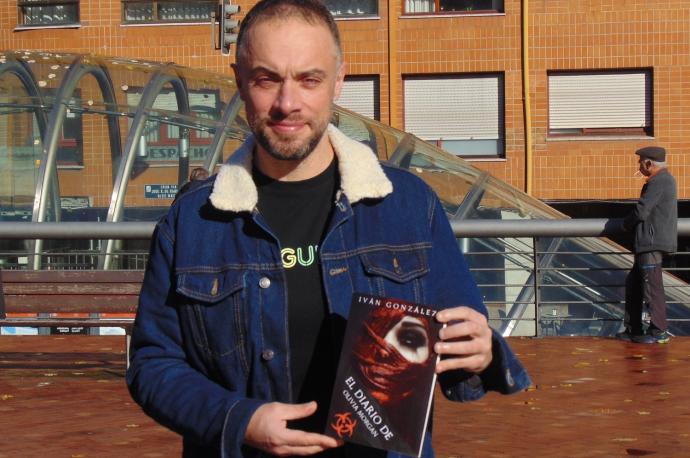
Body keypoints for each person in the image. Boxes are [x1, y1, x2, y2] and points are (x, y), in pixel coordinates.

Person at [126, 1, 530, 456]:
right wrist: (239, 419)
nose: (287, 103)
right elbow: (153, 364)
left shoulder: (408, 206)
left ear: (339, 81)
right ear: (239, 81)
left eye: (309, 79)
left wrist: (483, 352)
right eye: (267, 79)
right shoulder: (193, 221)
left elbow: (461, 339)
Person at [617, 146, 677, 344]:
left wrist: (626, 224)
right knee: (634, 284)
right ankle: (634, 328)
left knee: (652, 287)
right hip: (647, 243)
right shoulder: (661, 180)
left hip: (650, 244)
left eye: (640, 161)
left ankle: (658, 330)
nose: (639, 165)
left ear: (649, 163)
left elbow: (642, 211)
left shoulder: (660, 181)